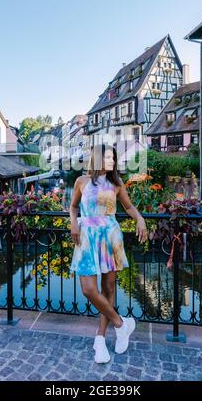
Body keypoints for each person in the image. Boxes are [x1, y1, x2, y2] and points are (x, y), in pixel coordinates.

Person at [69, 143, 148, 364]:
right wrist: (73, 223)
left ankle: (100, 339)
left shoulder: (116, 183)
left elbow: (129, 207)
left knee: (108, 288)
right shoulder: (81, 181)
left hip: (110, 236)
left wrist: (140, 219)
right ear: (96, 159)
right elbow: (73, 207)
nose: (112, 161)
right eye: (108, 158)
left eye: (113, 158)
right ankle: (122, 324)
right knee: (88, 289)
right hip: (86, 238)